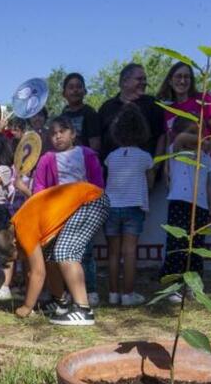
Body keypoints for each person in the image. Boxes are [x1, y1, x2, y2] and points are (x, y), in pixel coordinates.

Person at [32, 115, 105, 310]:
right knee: (59, 254)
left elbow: (97, 183)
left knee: (85, 253)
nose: (58, 137)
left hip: (84, 211)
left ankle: (89, 291)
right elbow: (39, 187)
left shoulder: (87, 154)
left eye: (62, 132)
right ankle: (62, 294)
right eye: (53, 134)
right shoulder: (47, 159)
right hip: (58, 214)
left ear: (73, 133)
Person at [11, 183, 109, 326]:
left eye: (18, 257)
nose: (22, 258)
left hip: (92, 200)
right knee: (50, 256)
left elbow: (37, 273)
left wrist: (26, 307)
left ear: (14, 243)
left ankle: (83, 310)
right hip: (87, 199)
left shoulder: (23, 229)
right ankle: (60, 303)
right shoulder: (19, 224)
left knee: (65, 251)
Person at [104, 104, 154, 307]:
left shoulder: (110, 157)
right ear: (141, 130)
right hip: (134, 207)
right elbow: (150, 183)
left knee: (113, 253)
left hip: (111, 208)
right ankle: (128, 294)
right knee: (130, 252)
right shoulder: (145, 157)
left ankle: (113, 293)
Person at [161, 117, 211, 302]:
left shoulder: (206, 157)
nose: (197, 137)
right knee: (177, 246)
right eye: (193, 132)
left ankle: (193, 286)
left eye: (200, 133)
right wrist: (203, 141)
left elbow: (210, 184)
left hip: (200, 207)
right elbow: (181, 139)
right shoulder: (175, 151)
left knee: (196, 247)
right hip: (179, 203)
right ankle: (173, 287)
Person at [97, 63, 166, 165]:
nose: (144, 82)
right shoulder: (107, 107)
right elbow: (100, 140)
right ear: (125, 81)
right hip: (112, 172)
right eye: (139, 79)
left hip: (145, 171)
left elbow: (162, 136)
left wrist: (155, 166)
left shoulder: (153, 104)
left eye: (145, 79)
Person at [155, 61, 211, 155]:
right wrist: (167, 167)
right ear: (170, 81)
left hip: (201, 163)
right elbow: (168, 140)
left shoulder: (202, 99)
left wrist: (208, 151)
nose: (182, 81)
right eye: (178, 76)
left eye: (186, 77)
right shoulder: (167, 110)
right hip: (177, 164)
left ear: (191, 81)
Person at [61, 73, 101, 151]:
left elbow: (95, 146)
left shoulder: (90, 113)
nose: (75, 90)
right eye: (71, 87)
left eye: (79, 87)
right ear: (64, 94)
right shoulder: (62, 116)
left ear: (85, 91)